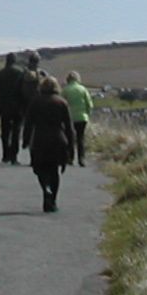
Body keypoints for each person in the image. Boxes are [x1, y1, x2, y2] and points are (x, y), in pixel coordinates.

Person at [26, 75, 75, 212]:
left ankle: (45, 188)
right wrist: (71, 147)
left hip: (40, 139)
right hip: (58, 139)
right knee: (54, 171)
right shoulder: (61, 102)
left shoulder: (35, 101)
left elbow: (29, 123)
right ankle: (52, 200)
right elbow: (69, 127)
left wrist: (25, 140)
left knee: (40, 169)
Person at [0, 53, 25, 164]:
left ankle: (5, 155)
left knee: (5, 131)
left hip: (4, 106)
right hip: (18, 107)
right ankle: (14, 156)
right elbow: (23, 91)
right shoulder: (20, 73)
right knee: (16, 131)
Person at [62, 70, 94, 166]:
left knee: (70, 138)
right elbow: (89, 104)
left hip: (69, 117)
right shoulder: (83, 89)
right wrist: (87, 114)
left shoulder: (65, 90)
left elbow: (61, 103)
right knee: (80, 138)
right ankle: (81, 159)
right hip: (82, 117)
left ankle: (70, 158)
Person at [18, 52, 44, 161]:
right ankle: (36, 153)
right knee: (38, 129)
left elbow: (18, 89)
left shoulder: (23, 72)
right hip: (38, 104)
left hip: (25, 104)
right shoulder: (41, 73)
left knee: (27, 126)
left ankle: (25, 142)